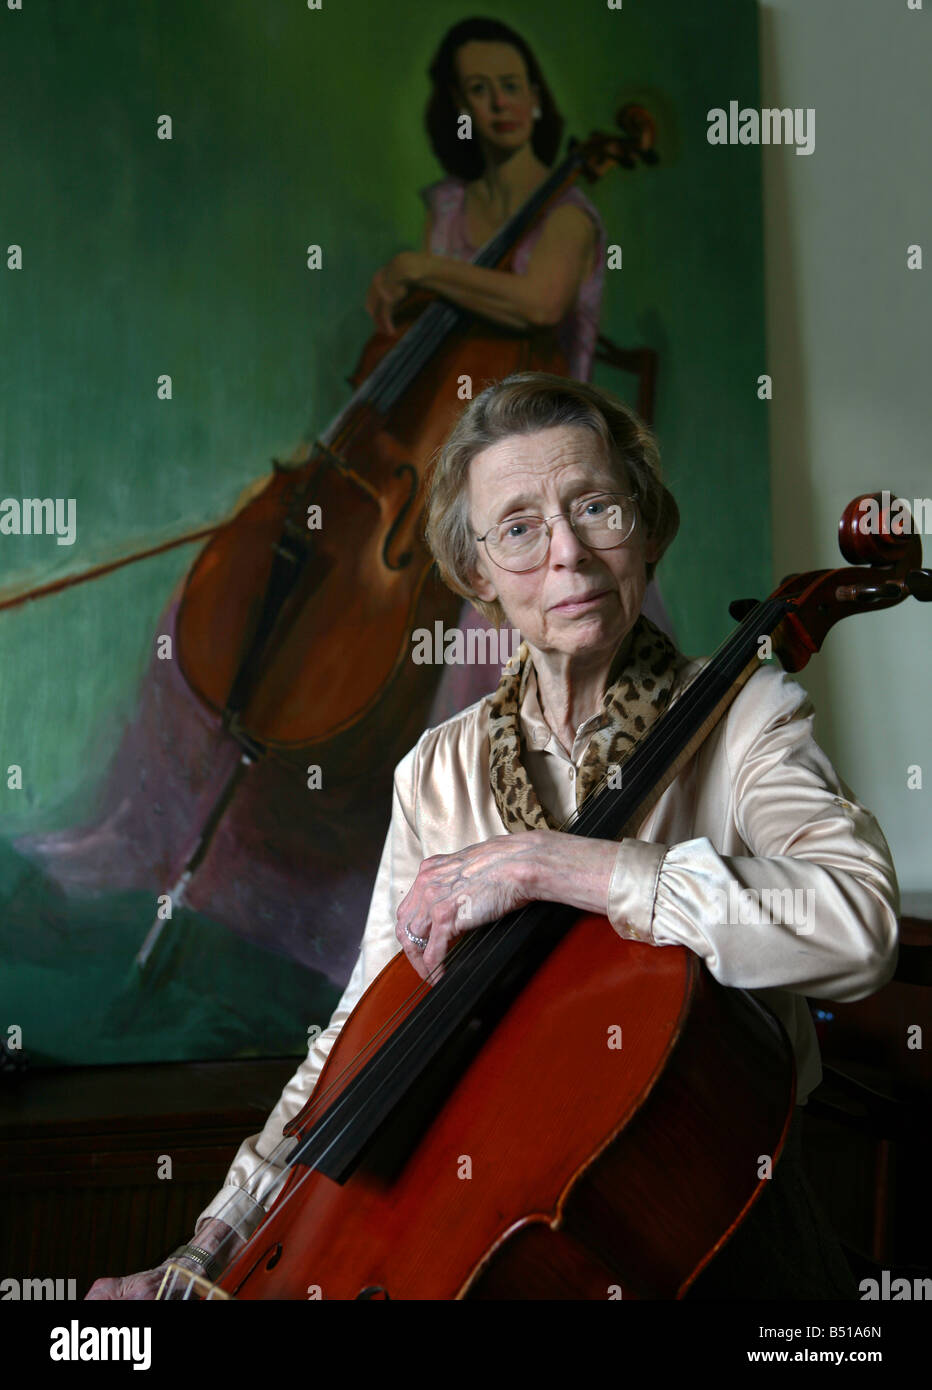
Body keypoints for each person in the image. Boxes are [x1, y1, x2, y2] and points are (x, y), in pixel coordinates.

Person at [87, 372, 899, 1301]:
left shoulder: (746, 716)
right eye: (519, 528)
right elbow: (359, 1031)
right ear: (477, 575)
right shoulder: (438, 773)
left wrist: (554, 862)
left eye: (596, 506)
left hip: (723, 1231)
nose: (569, 556)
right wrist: (214, 1246)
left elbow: (859, 927)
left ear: (648, 528)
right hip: (493, 1224)